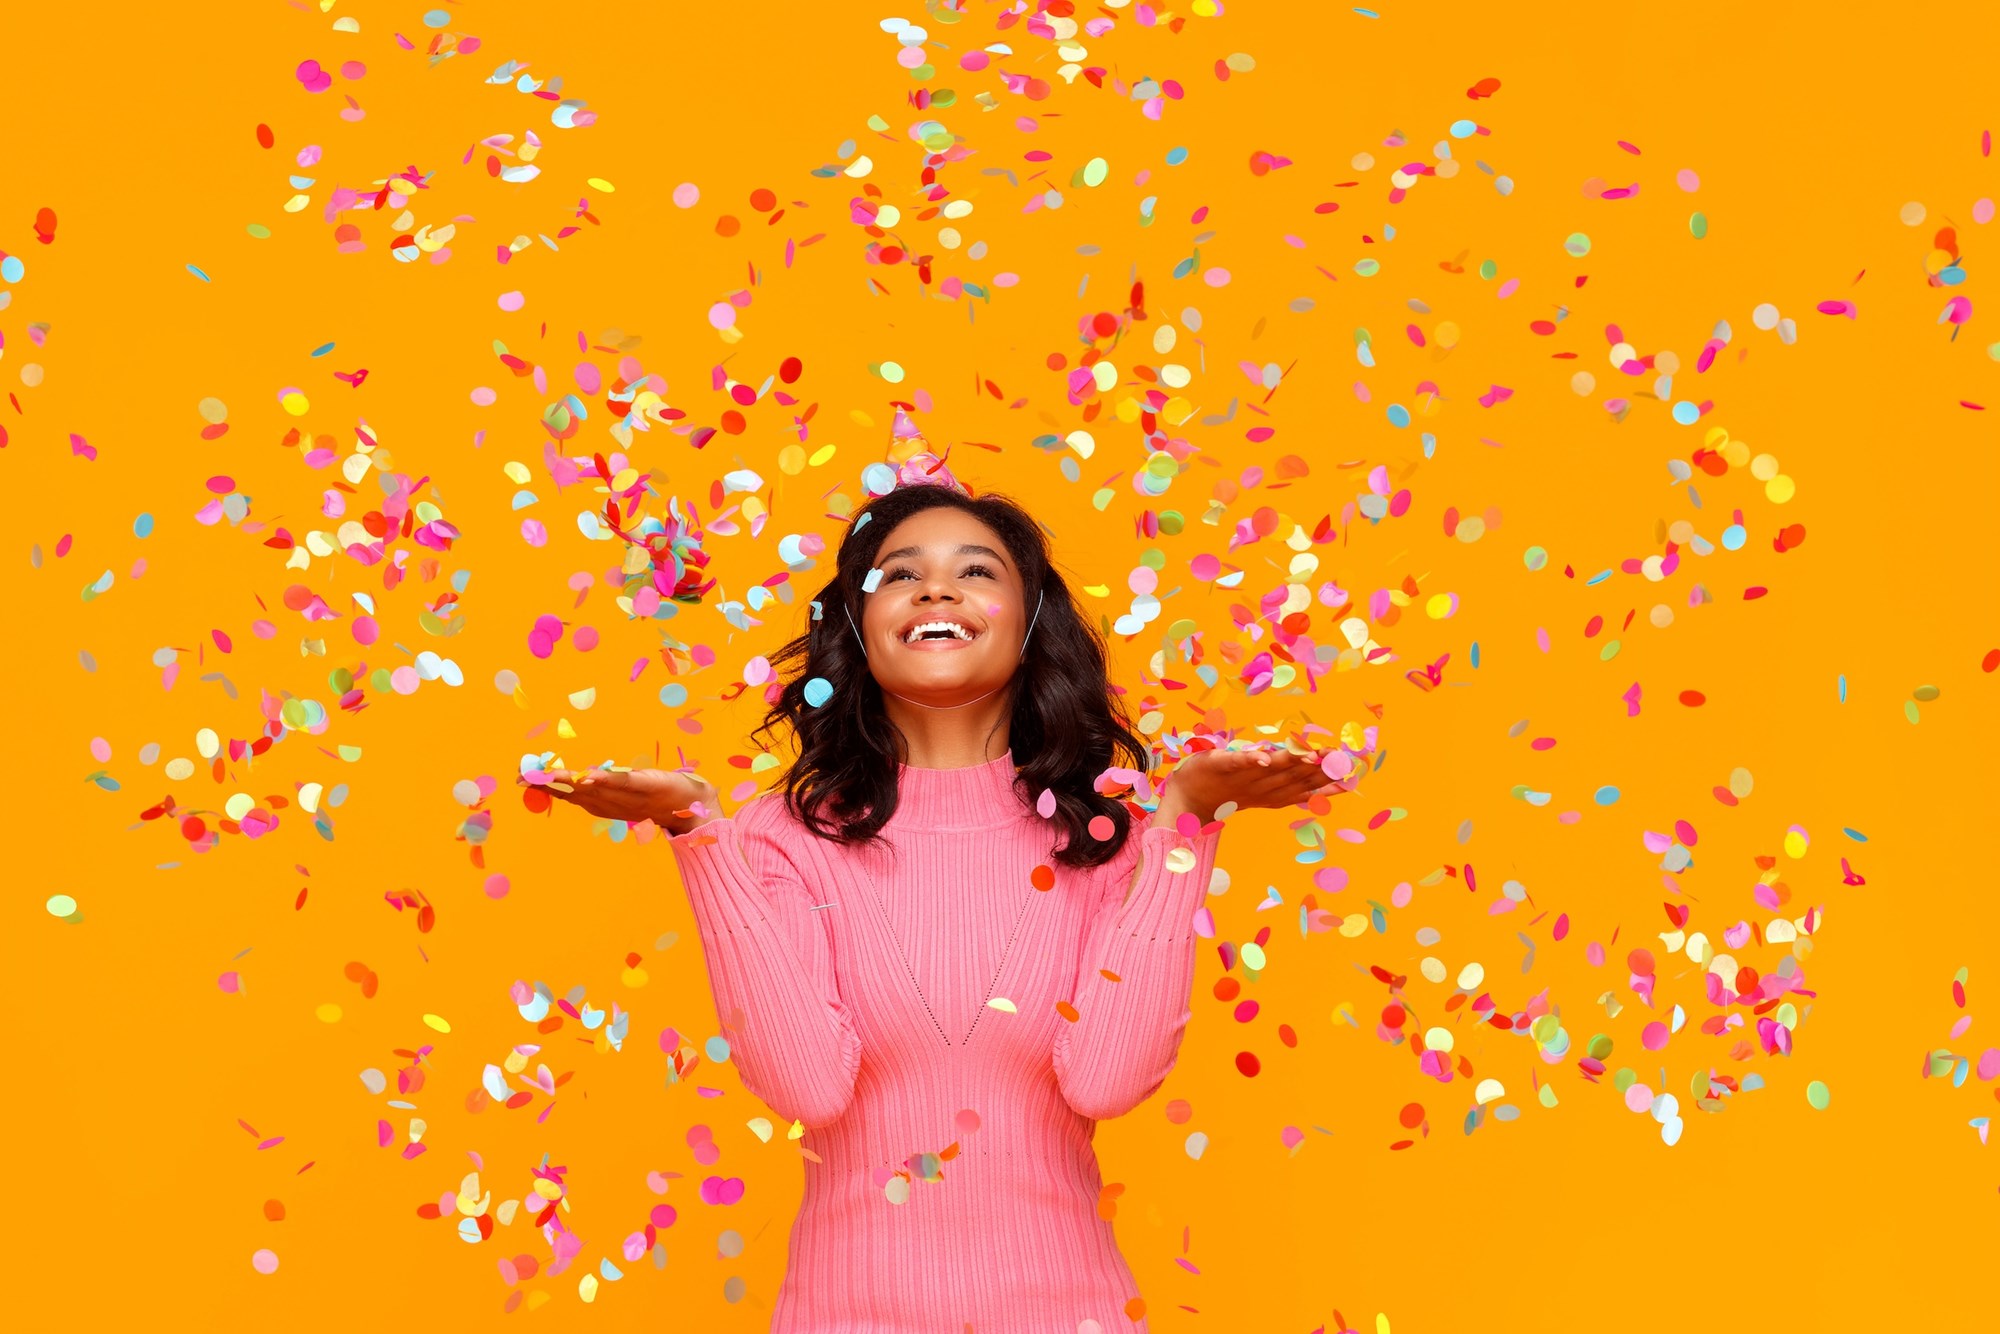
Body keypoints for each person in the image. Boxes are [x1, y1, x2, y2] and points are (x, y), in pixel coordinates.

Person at [537, 455, 1352, 1332]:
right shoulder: (782, 837)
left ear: (1033, 625)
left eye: (975, 572)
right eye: (901, 575)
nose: (935, 592)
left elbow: (1109, 1081)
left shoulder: (1109, 832)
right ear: (858, 624)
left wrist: (1188, 823)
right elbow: (806, 1087)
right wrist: (698, 837)